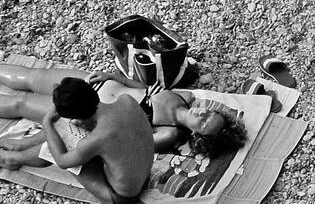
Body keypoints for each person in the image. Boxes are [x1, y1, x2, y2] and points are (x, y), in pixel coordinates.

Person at [0, 63, 246, 158]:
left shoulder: (168, 133)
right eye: (209, 114)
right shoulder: (184, 97)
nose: (202, 115)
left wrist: (82, 126)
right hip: (95, 83)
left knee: (20, 102)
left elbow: (127, 140)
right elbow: (144, 88)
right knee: (32, 76)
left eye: (203, 124)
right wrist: (112, 76)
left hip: (84, 108)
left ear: (196, 136)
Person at [0, 77, 153, 204]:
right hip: (143, 176)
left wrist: (47, 123)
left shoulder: (98, 138)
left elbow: (62, 161)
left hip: (121, 196)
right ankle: (22, 145)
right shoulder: (127, 100)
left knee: (60, 141)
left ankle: (12, 159)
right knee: (65, 129)